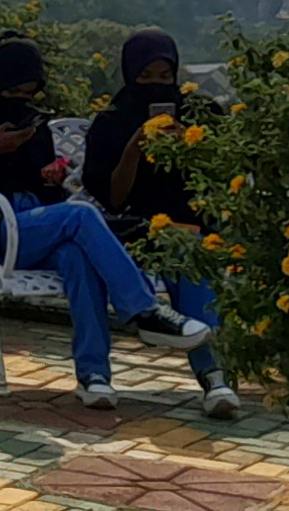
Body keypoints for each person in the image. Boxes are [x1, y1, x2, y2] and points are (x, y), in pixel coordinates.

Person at [0, 35, 210, 407]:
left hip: (32, 229)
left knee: (77, 255)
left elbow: (45, 196)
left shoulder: (32, 122)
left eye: (28, 93)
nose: (20, 101)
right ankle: (144, 310)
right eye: (12, 93)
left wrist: (50, 179)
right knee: (81, 213)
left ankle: (93, 376)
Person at [88, 27, 241, 419]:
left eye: (164, 76)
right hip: (134, 231)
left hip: (190, 228)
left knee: (193, 257)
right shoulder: (111, 122)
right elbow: (113, 199)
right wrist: (134, 150)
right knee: (174, 250)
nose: (156, 85)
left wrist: (191, 148)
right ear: (130, 75)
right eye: (145, 77)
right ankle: (97, 373)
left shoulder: (200, 113)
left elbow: (222, 177)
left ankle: (214, 377)